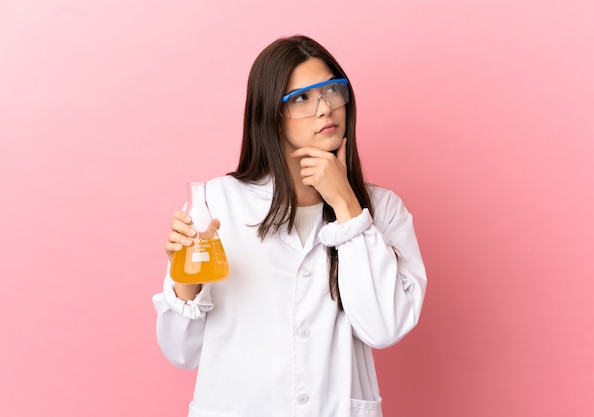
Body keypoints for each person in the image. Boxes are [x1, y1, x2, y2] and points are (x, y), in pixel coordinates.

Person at [152, 35, 427, 417]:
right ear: (269, 114)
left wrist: (346, 205)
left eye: (333, 90)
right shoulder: (219, 204)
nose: (325, 108)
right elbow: (181, 352)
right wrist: (185, 282)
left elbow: (384, 328)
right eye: (300, 98)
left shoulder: (382, 209)